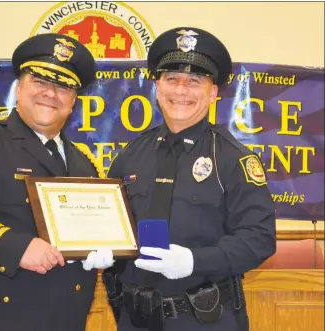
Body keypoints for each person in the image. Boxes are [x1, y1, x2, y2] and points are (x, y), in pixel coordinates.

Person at [105, 27, 276, 331]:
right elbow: (110, 225)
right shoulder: (130, 155)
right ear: (157, 87)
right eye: (171, 79)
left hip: (205, 318)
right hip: (135, 320)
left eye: (194, 81)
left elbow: (259, 239)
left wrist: (195, 262)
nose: (181, 90)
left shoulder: (234, 159)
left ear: (212, 93)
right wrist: (95, 249)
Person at [0, 33, 114, 331]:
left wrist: (96, 251)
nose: (50, 93)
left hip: (64, 319)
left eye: (63, 87)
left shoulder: (84, 162)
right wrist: (16, 247)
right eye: (40, 81)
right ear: (19, 89)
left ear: (73, 101)